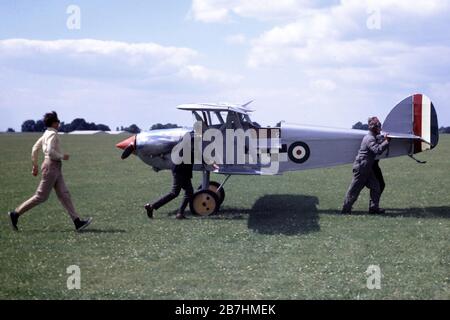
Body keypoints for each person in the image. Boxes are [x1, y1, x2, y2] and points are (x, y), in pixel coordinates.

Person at [8, 111, 92, 231]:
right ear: (54, 123)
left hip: (54, 167)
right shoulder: (52, 134)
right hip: (52, 166)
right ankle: (15, 214)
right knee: (41, 196)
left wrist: (35, 165)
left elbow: (34, 148)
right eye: (57, 121)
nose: (59, 123)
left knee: (64, 195)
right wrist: (62, 156)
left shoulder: (46, 133)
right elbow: (50, 151)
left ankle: (77, 222)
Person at [342, 117, 390, 214]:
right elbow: (377, 150)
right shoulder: (369, 138)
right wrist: (387, 141)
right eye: (378, 127)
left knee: (376, 187)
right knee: (354, 190)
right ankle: (346, 210)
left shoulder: (371, 137)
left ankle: (373, 208)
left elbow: (377, 141)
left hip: (366, 167)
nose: (380, 129)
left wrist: (383, 139)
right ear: (374, 128)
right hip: (362, 168)